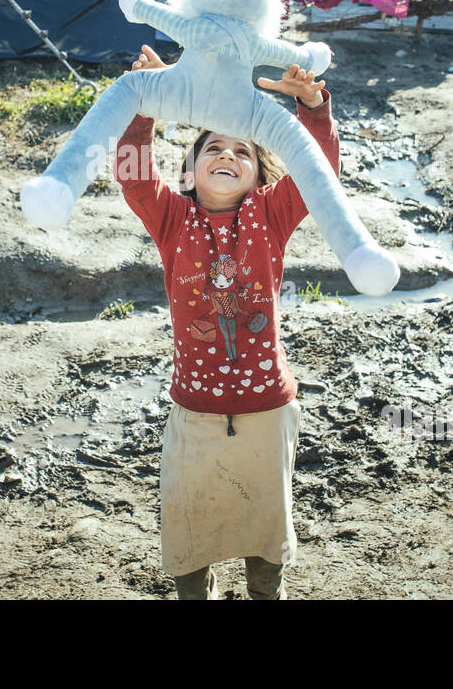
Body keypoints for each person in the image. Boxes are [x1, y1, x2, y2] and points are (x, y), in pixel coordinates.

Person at [115, 45, 340, 600]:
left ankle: (267, 592)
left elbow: (321, 169)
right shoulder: (172, 219)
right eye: (213, 146)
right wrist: (144, 103)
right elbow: (133, 174)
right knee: (189, 531)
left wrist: (313, 106)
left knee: (266, 533)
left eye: (242, 150)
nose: (227, 154)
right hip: (194, 412)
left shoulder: (270, 215)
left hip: (268, 407)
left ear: (260, 175)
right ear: (190, 172)